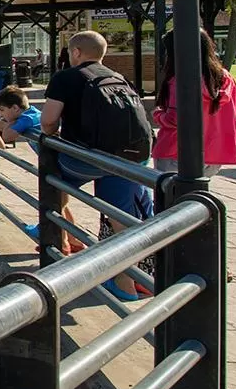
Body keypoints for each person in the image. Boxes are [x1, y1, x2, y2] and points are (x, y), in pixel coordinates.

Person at [40, 31, 154, 300]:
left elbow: (48, 122)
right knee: (121, 221)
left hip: (87, 160)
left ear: (76, 52)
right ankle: (127, 286)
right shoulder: (118, 78)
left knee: (51, 180)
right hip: (127, 159)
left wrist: (52, 133)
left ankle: (54, 233)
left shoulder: (65, 77)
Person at [0, 85, 81, 247]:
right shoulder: (32, 113)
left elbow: (8, 136)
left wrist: (5, 125)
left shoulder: (26, 119)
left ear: (15, 108)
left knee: (55, 203)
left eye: (2, 110)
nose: (0, 115)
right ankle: (73, 240)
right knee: (61, 203)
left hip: (57, 164)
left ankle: (60, 243)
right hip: (57, 162)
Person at [151, 29, 236, 173]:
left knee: (169, 187)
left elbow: (175, 119)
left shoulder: (180, 79)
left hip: (175, 150)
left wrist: (157, 114)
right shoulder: (225, 77)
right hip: (214, 153)